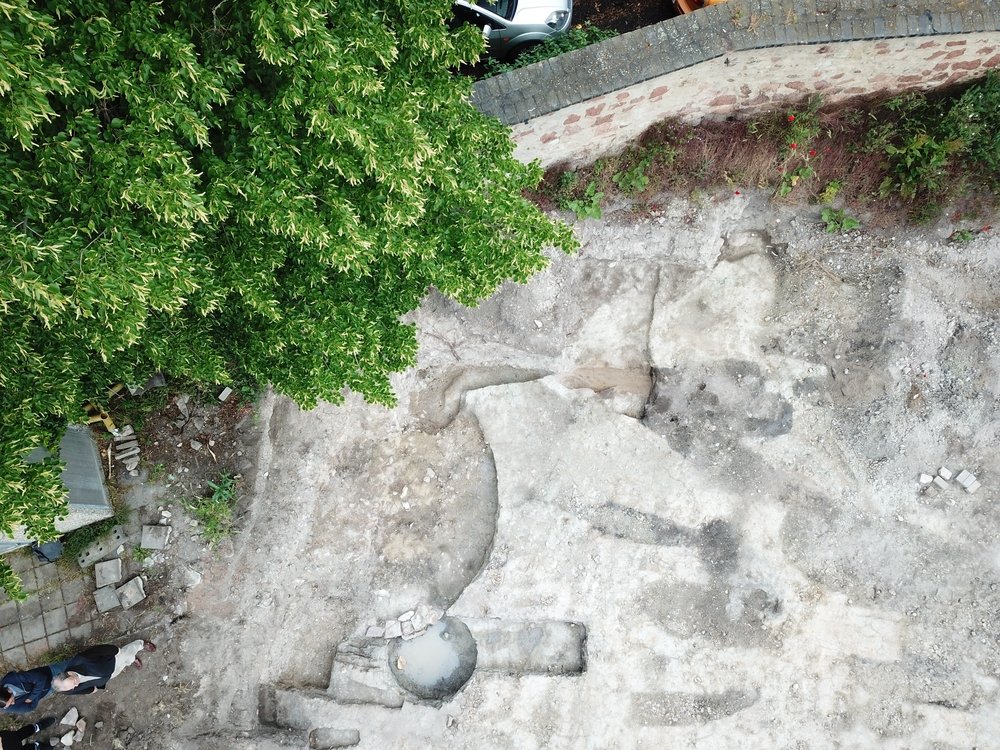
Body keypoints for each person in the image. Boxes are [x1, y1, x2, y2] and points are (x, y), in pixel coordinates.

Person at [50, 640, 156, 695]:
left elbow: (100, 650)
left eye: (74, 681)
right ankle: (131, 660)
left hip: (111, 661)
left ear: (69, 673)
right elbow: (78, 691)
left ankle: (141, 644)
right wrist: (91, 690)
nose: (77, 684)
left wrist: (117, 651)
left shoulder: (81, 659)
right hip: (107, 675)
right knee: (121, 666)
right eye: (73, 686)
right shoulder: (66, 689)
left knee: (126, 653)